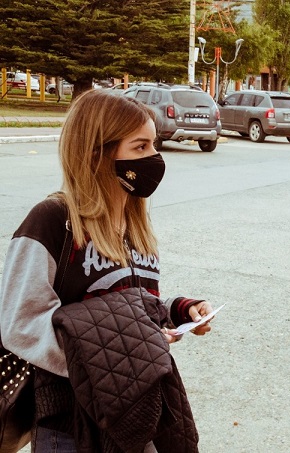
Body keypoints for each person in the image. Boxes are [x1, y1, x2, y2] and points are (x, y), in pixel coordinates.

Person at [0, 90, 215, 452]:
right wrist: (128, 351)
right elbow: (20, 324)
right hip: (70, 424)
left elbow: (134, 306)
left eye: (155, 145)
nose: (155, 158)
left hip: (136, 411)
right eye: (140, 147)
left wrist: (178, 311)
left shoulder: (137, 228)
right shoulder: (53, 221)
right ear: (97, 153)